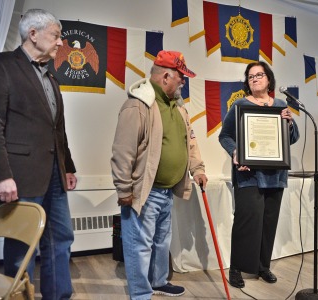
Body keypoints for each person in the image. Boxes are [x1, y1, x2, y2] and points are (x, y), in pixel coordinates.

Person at [0, 9, 77, 299]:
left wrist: (68, 167)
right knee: (21, 244)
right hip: (18, 176)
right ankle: (17, 296)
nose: (61, 43)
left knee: (61, 239)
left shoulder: (52, 78)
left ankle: (58, 296)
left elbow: (57, 129)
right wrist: (1, 175)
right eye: (56, 36)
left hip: (55, 175)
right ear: (33, 34)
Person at [110, 50, 208, 300]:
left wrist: (198, 169)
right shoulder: (138, 105)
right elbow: (123, 152)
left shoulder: (178, 107)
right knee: (139, 246)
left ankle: (158, 281)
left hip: (167, 192)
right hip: (145, 191)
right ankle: (141, 294)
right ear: (166, 76)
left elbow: (190, 142)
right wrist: (123, 190)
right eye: (181, 78)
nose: (183, 83)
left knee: (162, 243)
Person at [219, 61, 299, 288]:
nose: (254, 79)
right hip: (249, 176)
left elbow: (292, 139)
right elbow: (224, 136)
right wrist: (235, 152)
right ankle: (236, 268)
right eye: (250, 76)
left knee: (268, 223)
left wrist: (290, 124)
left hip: (276, 176)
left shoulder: (282, 104)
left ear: (269, 79)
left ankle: (263, 266)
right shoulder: (239, 105)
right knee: (246, 222)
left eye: (259, 75)